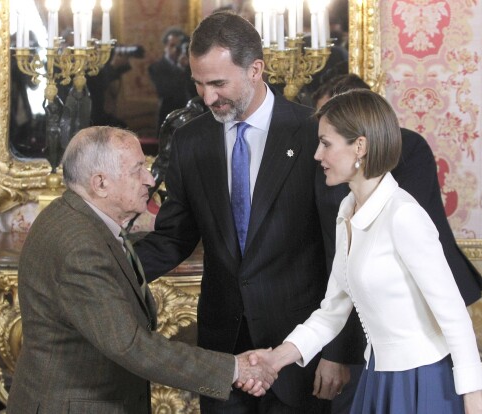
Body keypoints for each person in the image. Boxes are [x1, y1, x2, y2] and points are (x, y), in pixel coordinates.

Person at [135, 11, 359, 414]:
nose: (207, 97)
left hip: (300, 350)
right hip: (223, 353)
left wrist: (338, 351)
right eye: (199, 84)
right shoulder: (191, 141)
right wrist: (111, 268)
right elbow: (174, 237)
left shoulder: (312, 133)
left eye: (219, 83)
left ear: (256, 69)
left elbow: (341, 249)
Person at [6, 126, 277, 413]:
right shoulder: (80, 246)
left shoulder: (77, 218)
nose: (149, 180)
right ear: (100, 183)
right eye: (138, 170)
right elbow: (131, 345)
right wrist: (235, 369)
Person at [252, 89, 482, 414]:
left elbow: (453, 314)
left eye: (326, 143)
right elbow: (332, 312)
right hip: (376, 374)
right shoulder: (347, 211)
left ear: (359, 146)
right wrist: (276, 358)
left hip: (421, 381)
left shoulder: (403, 215)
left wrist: (473, 402)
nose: (317, 155)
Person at [314, 74, 482, 306]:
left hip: (417, 291)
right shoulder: (328, 171)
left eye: (328, 139)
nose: (319, 152)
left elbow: (392, 225)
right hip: (361, 291)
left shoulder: (409, 151)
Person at [149, 27, 195, 132]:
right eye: (172, 45)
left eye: (178, 46)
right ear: (165, 46)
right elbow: (164, 91)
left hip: (190, 118)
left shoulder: (191, 68)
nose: (175, 50)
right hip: (168, 119)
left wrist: (188, 68)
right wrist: (179, 68)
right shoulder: (156, 67)